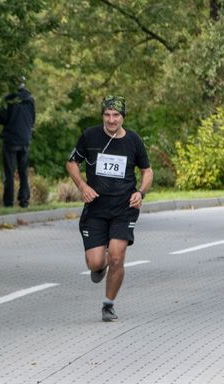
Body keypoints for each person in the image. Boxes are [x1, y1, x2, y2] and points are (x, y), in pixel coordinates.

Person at [66, 95, 153, 322]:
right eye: (107, 115)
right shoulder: (90, 136)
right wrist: (82, 186)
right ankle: (99, 264)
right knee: (95, 262)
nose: (111, 120)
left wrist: (140, 193)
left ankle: (108, 305)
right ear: (102, 115)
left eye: (116, 115)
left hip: (124, 208)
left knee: (116, 257)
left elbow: (147, 171)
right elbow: (72, 162)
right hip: (95, 208)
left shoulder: (133, 141)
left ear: (123, 117)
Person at [0, 78, 35, 208]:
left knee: (9, 172)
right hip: (25, 139)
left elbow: (1, 118)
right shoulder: (30, 99)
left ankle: (8, 202)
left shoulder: (9, 99)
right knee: (23, 172)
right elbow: (33, 119)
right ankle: (24, 200)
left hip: (11, 139)